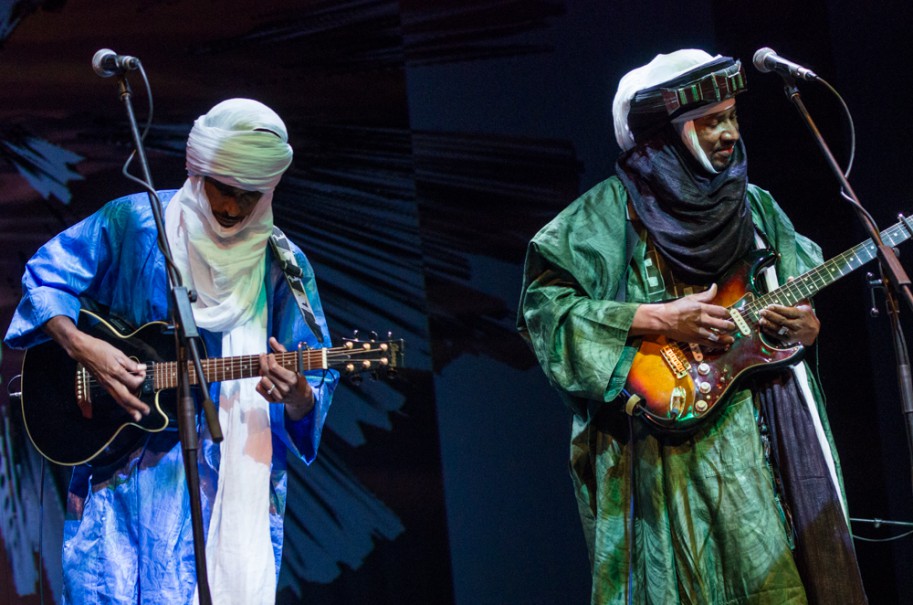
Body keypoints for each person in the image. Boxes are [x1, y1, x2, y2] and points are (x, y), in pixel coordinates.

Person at [518, 50, 868, 604]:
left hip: (763, 443)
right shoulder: (604, 216)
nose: (730, 134)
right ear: (666, 135)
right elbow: (544, 313)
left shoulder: (756, 209)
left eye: (732, 116)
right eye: (711, 122)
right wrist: (656, 317)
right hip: (662, 456)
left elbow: (797, 305)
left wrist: (806, 329)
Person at [5, 98, 338, 604]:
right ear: (198, 172)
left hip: (223, 483)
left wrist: (298, 397)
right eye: (223, 189)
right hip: (118, 476)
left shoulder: (282, 264)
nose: (232, 209)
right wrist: (85, 346)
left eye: (249, 197)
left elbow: (312, 370)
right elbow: (45, 278)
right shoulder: (137, 223)